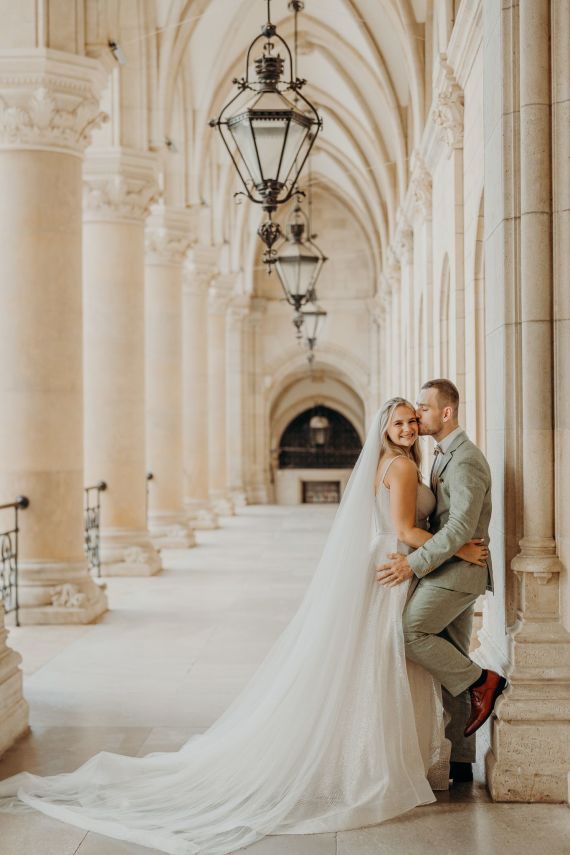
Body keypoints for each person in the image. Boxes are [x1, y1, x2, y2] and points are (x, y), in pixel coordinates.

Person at [0, 397, 489, 855]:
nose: (406, 428)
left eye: (410, 420)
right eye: (398, 422)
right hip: (395, 564)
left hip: (386, 563)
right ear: (385, 429)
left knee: (375, 661)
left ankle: (376, 754)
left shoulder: (395, 463)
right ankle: (383, 759)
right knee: (384, 661)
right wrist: (460, 547)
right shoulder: (402, 465)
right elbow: (404, 530)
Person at [377, 379, 507, 784]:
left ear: (446, 412)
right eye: (407, 416)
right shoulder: (436, 455)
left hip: (456, 573)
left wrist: (413, 564)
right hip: (447, 568)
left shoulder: (465, 459)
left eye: (423, 410)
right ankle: (461, 762)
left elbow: (459, 529)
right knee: (450, 652)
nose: (416, 419)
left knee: (410, 631)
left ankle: (484, 680)